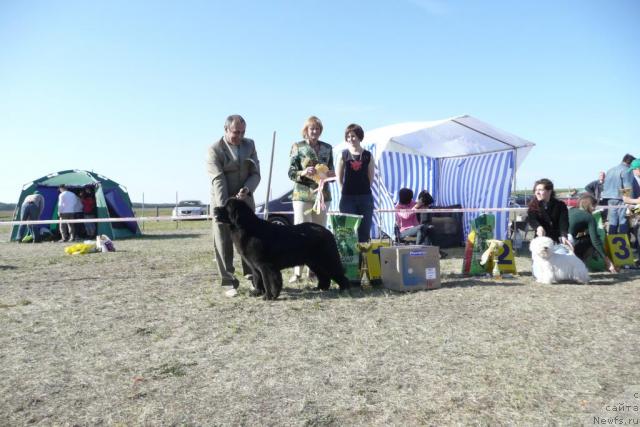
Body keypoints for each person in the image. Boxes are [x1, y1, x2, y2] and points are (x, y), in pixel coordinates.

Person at [207, 114, 261, 296]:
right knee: (223, 241)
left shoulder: (250, 145)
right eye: (236, 132)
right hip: (223, 202)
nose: (240, 136)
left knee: (250, 241)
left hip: (245, 202)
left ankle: (254, 279)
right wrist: (226, 209)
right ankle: (228, 282)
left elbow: (255, 173)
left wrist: (247, 189)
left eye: (243, 132)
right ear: (226, 129)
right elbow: (218, 180)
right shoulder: (214, 150)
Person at [287, 116, 335, 283]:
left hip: (322, 196)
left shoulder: (328, 148)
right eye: (311, 128)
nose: (314, 131)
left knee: (319, 234)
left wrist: (330, 175)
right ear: (306, 130)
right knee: (300, 233)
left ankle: (314, 271)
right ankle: (297, 272)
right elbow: (291, 172)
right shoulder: (297, 147)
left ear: (320, 130)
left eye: (316, 128)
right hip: (302, 195)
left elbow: (333, 172)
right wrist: (302, 172)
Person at [336, 123, 375, 243]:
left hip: (365, 198)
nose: (350, 139)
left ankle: (362, 260)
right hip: (347, 198)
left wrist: (363, 190)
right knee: (348, 232)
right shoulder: (343, 155)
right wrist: (343, 190)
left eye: (353, 136)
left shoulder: (368, 155)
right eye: (348, 136)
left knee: (364, 232)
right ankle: (349, 261)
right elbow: (339, 177)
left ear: (359, 136)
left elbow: (371, 177)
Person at [568, 194, 617, 274]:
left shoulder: (571, 210)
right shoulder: (589, 217)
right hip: (569, 244)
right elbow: (595, 241)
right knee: (594, 240)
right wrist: (607, 261)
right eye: (594, 206)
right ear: (590, 206)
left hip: (560, 241)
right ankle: (581, 265)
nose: (594, 209)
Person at [527, 178, 571, 247]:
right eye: (536, 190)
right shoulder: (533, 205)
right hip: (540, 241)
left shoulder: (560, 205)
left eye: (540, 190)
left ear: (549, 191)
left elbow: (563, 222)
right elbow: (532, 219)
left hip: (556, 241)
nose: (537, 192)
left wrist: (564, 235)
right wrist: (538, 227)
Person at [602, 153, 635, 234]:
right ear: (630, 163)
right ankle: (625, 244)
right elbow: (627, 187)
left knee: (613, 221)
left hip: (609, 198)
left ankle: (612, 243)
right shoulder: (627, 170)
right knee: (623, 220)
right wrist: (630, 201)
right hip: (620, 198)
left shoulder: (610, 170)